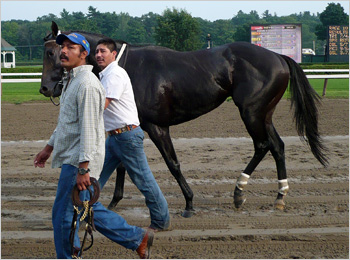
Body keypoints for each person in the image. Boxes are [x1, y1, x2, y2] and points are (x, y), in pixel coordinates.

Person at [34, 32, 153, 259]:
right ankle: (138, 238)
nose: (64, 51)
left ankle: (69, 256)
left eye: (71, 47)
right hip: (74, 157)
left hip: (78, 160)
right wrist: (49, 148)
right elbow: (67, 122)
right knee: (88, 210)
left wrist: (83, 169)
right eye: (63, 47)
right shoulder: (72, 80)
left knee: (63, 215)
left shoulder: (87, 85)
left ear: (84, 54)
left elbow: (90, 128)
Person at [95, 38, 170, 231]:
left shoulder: (115, 75)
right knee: (94, 177)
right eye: (96, 52)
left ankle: (161, 221)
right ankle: (80, 214)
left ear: (113, 54)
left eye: (103, 51)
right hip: (114, 137)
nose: (98, 55)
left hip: (126, 137)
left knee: (144, 180)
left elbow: (101, 106)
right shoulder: (105, 75)